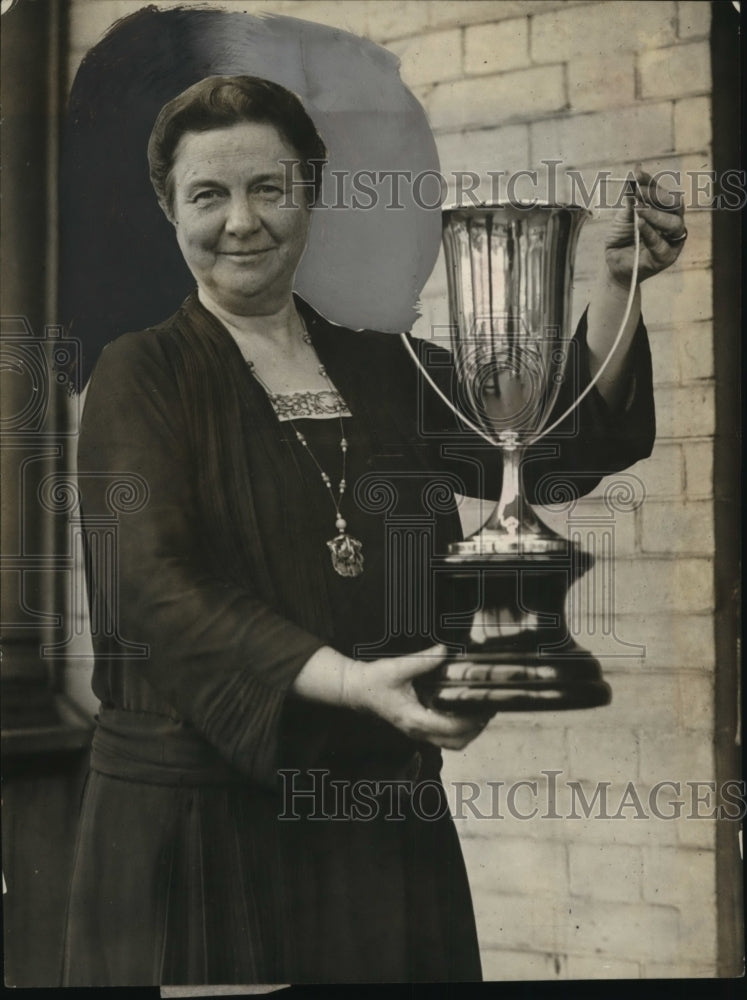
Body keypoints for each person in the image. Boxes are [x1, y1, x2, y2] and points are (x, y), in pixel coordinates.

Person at [61, 75, 684, 986]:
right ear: (169, 209)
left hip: (377, 824)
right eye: (209, 194)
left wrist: (616, 285)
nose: (242, 220)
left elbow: (552, 446)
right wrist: (349, 682)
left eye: (269, 188)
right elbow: (153, 588)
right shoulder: (139, 372)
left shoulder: (387, 365)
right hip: (202, 837)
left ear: (309, 192)